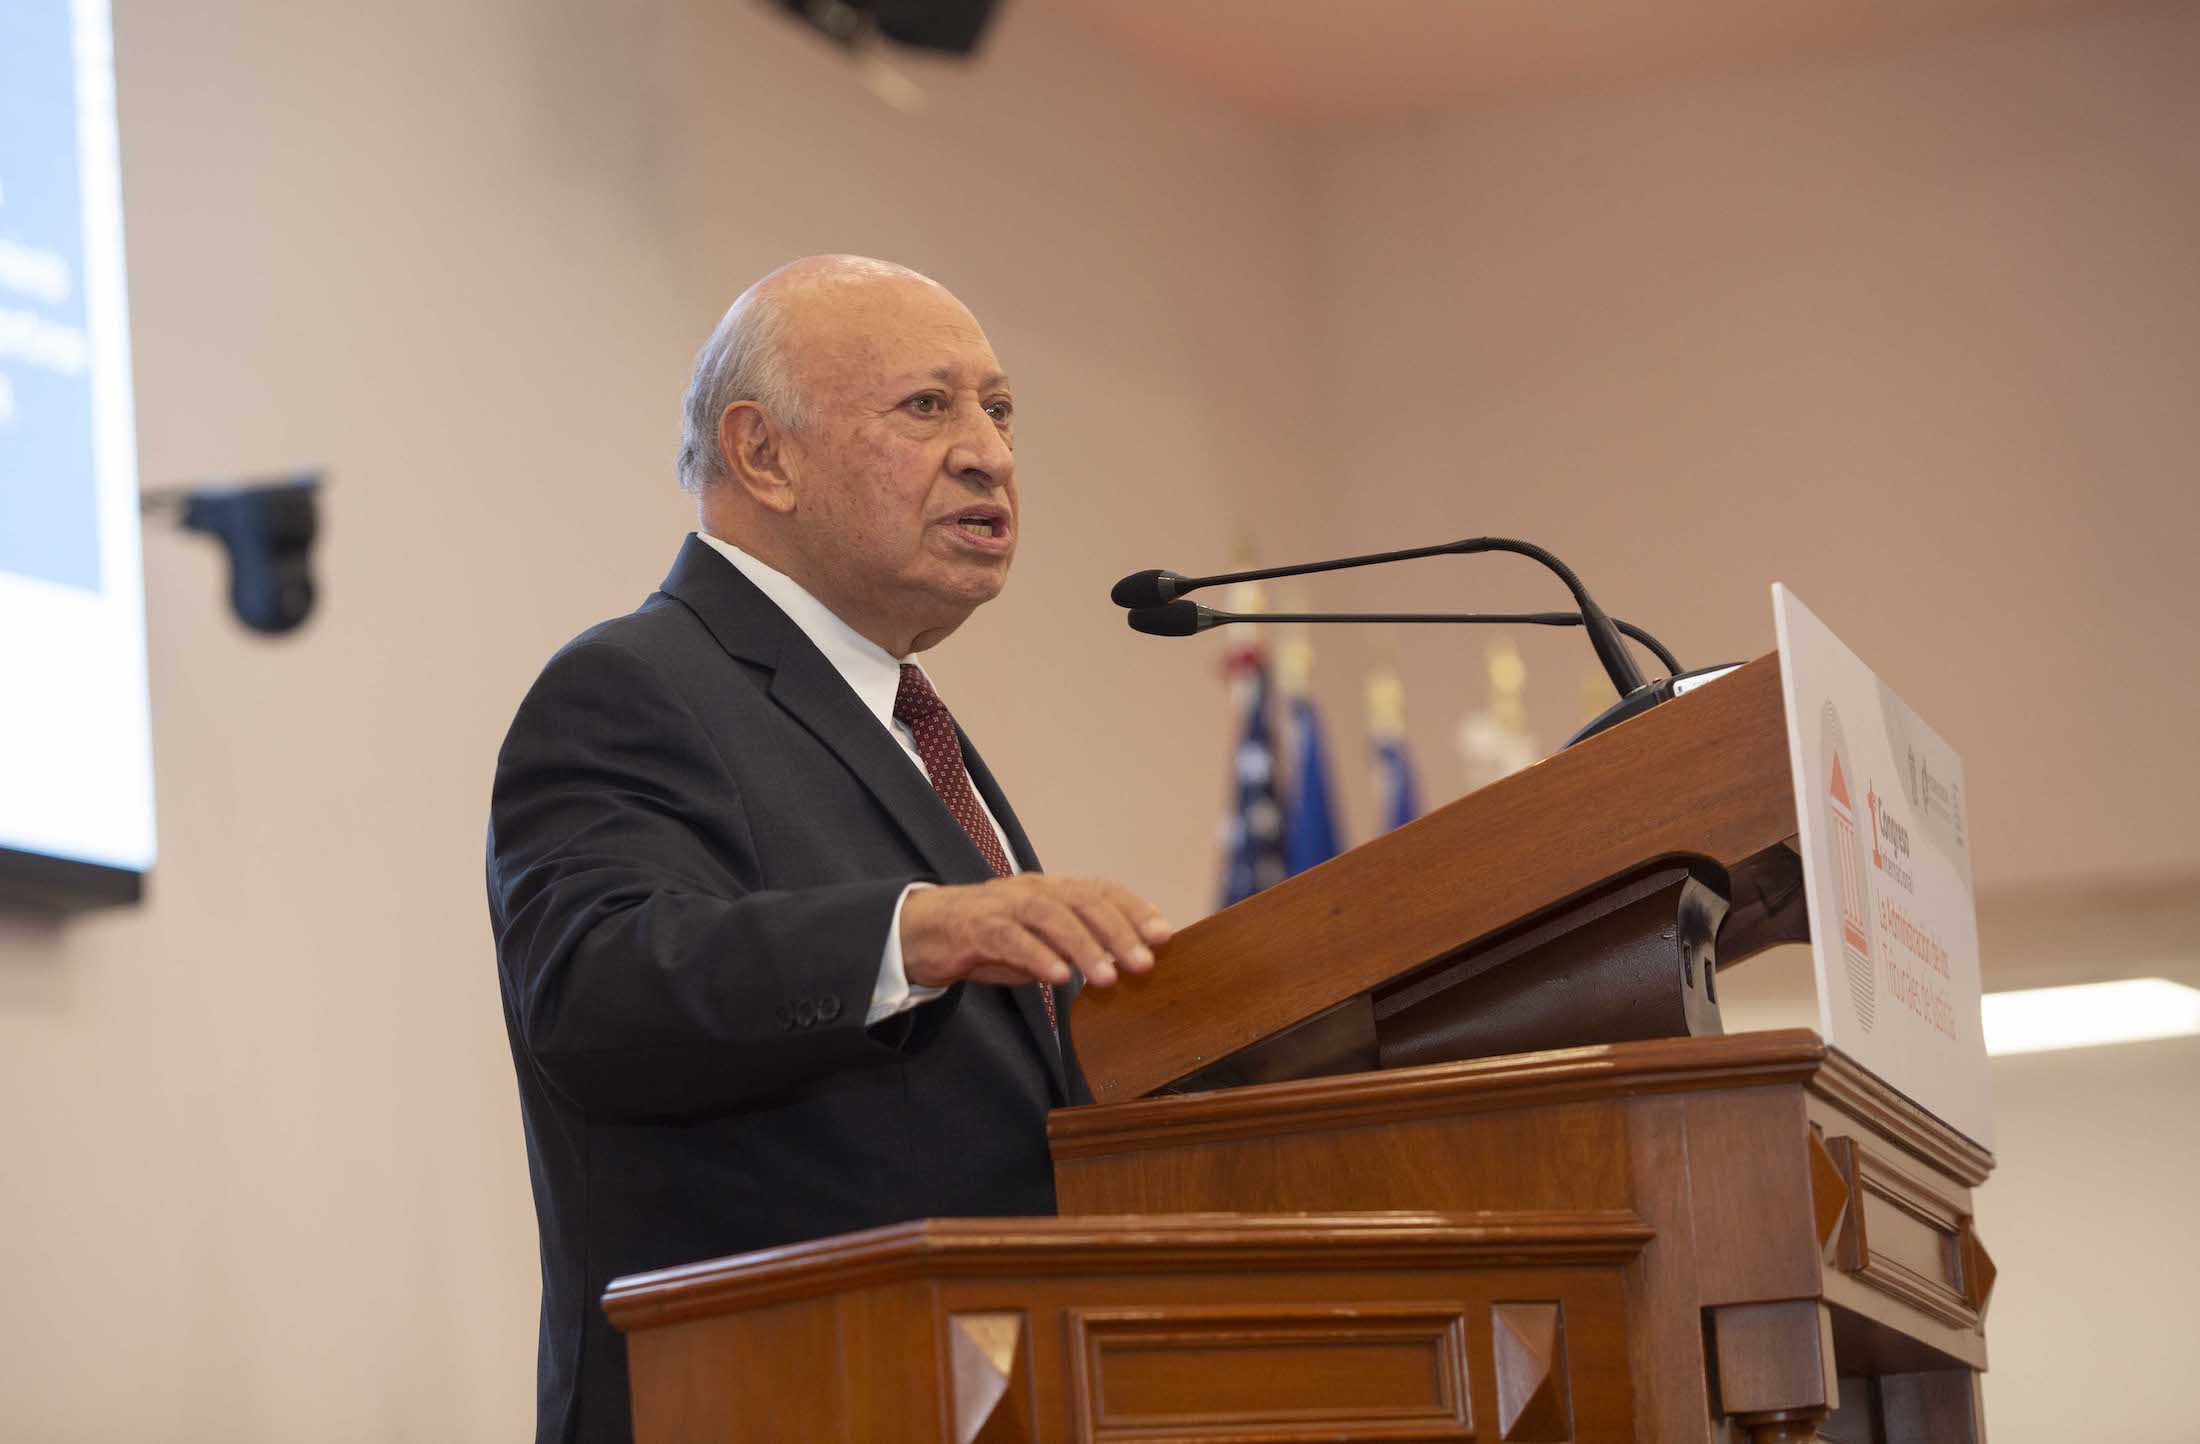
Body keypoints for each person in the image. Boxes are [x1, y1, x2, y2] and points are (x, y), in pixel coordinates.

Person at [485, 255, 1173, 1444]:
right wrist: (919, 928)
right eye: (928, 405)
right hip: (766, 1403)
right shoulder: (636, 684)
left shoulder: (902, 724)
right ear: (763, 455)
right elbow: (592, 986)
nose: (988, 452)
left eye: (998, 409)